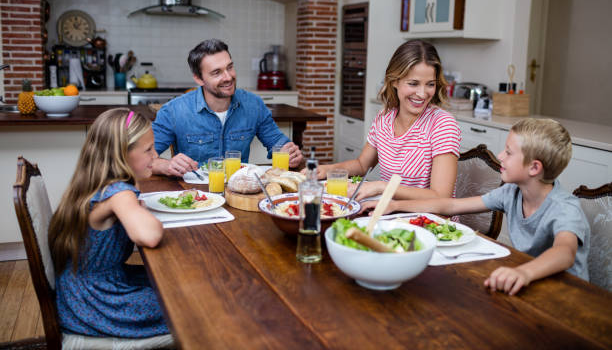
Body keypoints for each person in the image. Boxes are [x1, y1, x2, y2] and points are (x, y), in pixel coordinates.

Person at [361, 118, 590, 295]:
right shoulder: (511, 193)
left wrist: (523, 272)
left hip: (566, 295)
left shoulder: (564, 208)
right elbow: (450, 205)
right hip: (527, 284)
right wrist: (394, 204)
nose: (500, 156)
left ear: (534, 168)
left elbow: (565, 253)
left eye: (509, 152)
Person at [48, 108, 169, 337]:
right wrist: (142, 211)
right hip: (97, 301)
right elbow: (149, 235)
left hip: (84, 288)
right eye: (148, 149)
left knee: (173, 282)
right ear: (122, 155)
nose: (155, 155)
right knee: (188, 302)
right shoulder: (118, 192)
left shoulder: (97, 182)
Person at [314, 39, 461, 201]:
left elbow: (441, 197)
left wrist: (382, 187)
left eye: (430, 84)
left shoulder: (443, 125)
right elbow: (362, 165)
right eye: (413, 83)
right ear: (395, 81)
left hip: (429, 222)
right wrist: (327, 169)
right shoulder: (384, 118)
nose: (422, 93)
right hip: (389, 214)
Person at [152, 39, 303, 176]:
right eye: (217, 72)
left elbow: (278, 143)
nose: (228, 77)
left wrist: (290, 153)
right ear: (199, 79)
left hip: (239, 191)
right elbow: (142, 159)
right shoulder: (173, 111)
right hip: (196, 197)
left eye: (229, 67)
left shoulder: (254, 105)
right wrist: (166, 165)